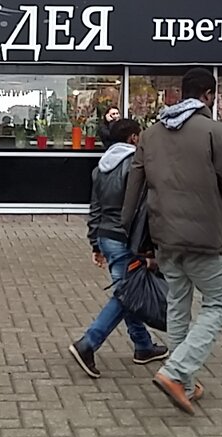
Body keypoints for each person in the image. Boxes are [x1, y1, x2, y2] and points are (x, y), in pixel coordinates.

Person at [121, 68, 222, 414]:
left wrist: (128, 233)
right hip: (203, 238)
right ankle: (175, 372)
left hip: (164, 237)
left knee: (178, 305)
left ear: (182, 93)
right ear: (208, 95)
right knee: (220, 302)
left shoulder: (150, 135)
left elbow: (134, 186)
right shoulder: (216, 133)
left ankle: (186, 384)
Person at [69, 118, 169, 379]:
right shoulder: (136, 164)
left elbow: (95, 208)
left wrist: (95, 242)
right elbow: (144, 207)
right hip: (127, 239)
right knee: (127, 294)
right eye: (140, 135)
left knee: (129, 292)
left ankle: (143, 346)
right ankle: (88, 343)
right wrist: (150, 246)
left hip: (107, 236)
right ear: (133, 138)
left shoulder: (101, 167)